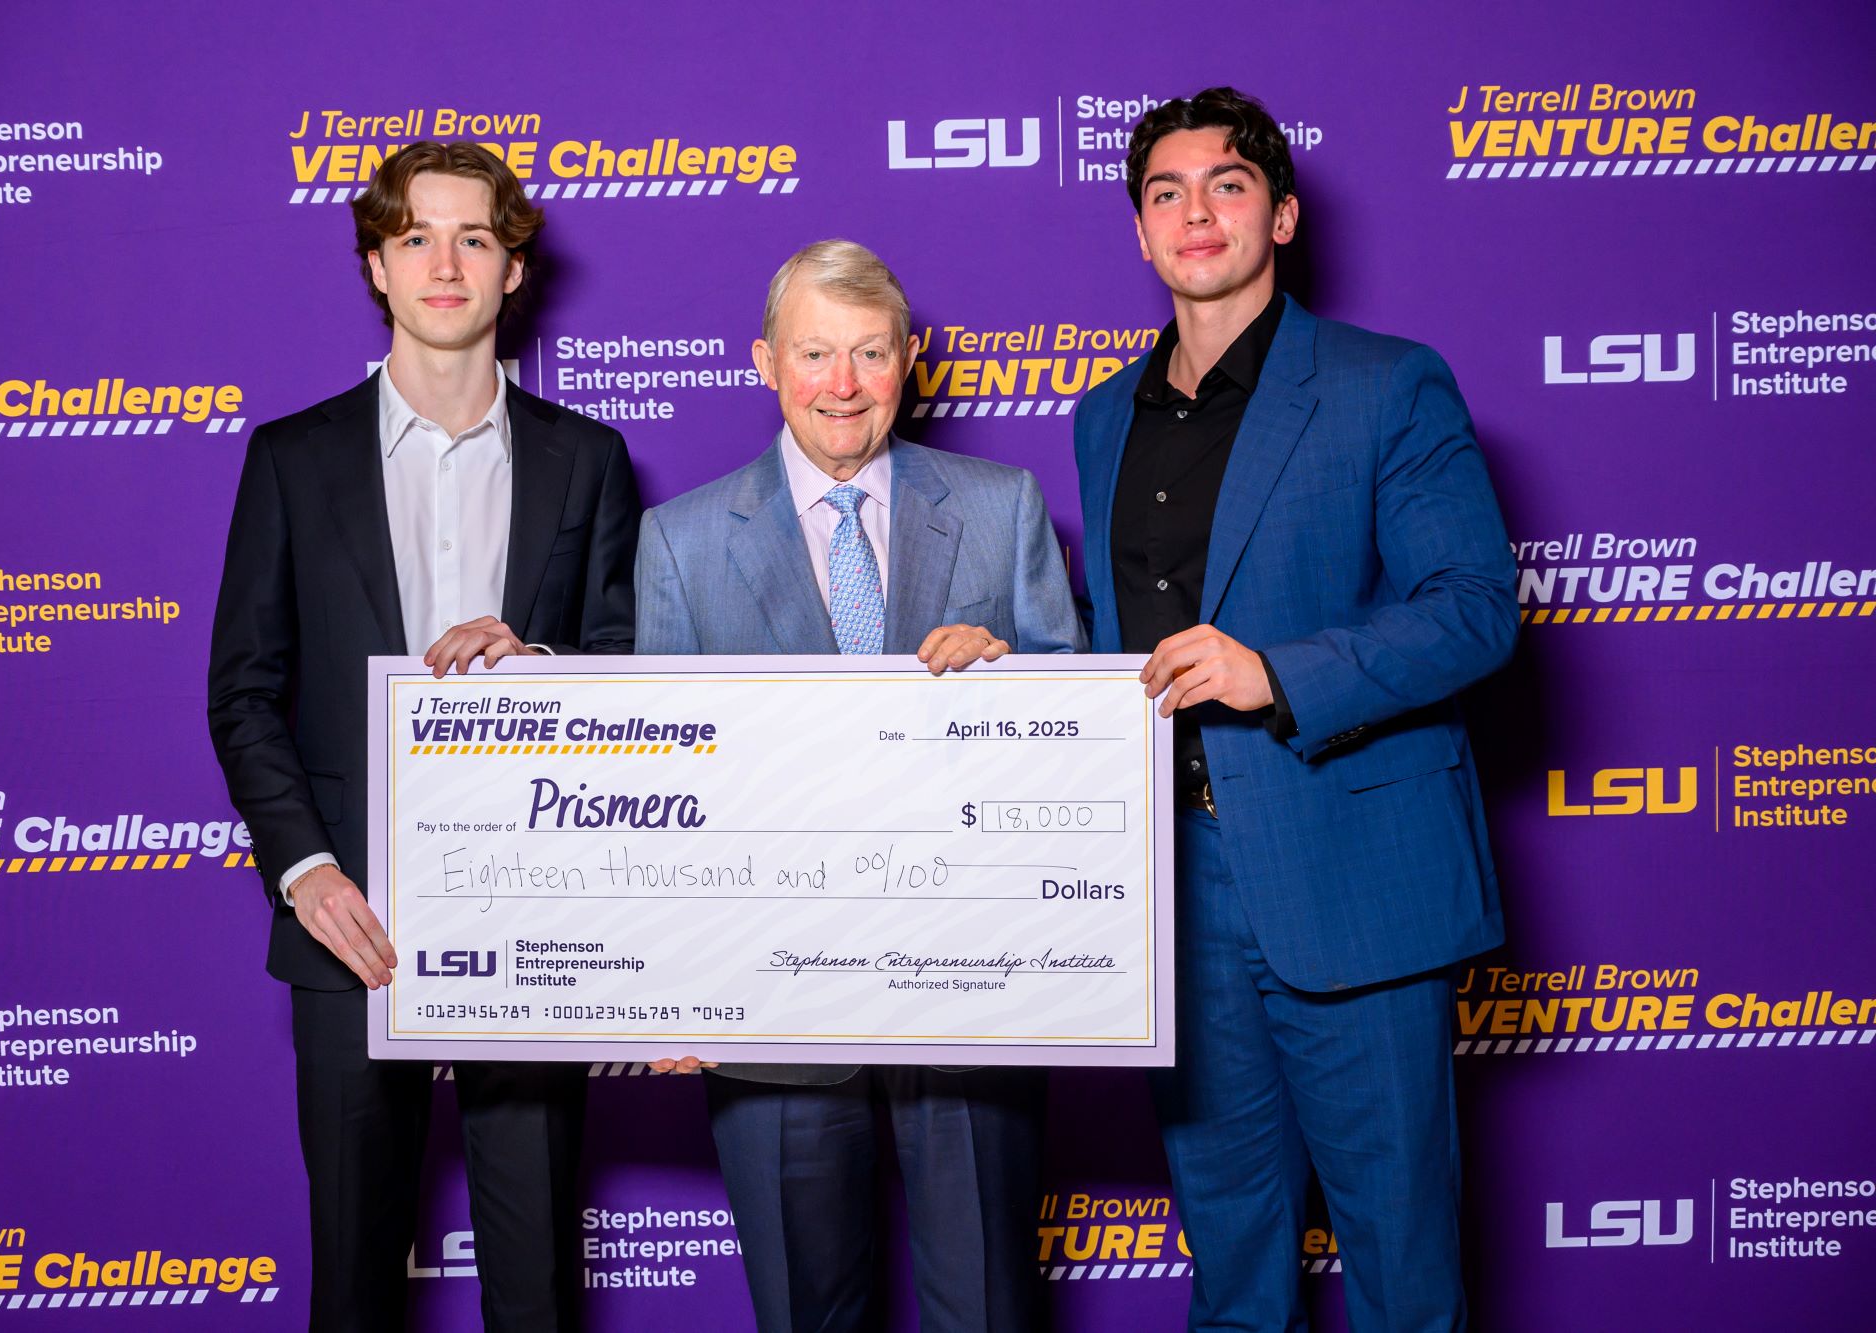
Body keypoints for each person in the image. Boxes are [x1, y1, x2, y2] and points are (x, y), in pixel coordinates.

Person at [1072, 88, 1517, 1331]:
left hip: (1349, 871)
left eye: (1223, 185)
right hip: (1175, 886)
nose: (1193, 213)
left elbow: (1476, 605)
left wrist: (1280, 672)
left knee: (1397, 1266)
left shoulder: (1384, 385)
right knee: (1230, 1264)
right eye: (1163, 193)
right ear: (1139, 233)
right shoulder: (1104, 418)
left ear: (1279, 213)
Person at [207, 139, 640, 1331]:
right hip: (353, 921)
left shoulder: (589, 458)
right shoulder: (292, 459)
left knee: (538, 1277)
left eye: (474, 238)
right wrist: (306, 872)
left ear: (513, 272)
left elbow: (631, 670)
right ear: (377, 267)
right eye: (416, 238)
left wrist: (540, 663)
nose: (445, 263)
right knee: (350, 1275)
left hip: (532, 917)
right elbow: (242, 689)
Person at [634, 239, 1083, 1332]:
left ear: (908, 359)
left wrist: (1014, 686)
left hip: (970, 997)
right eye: (815, 353)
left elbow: (1081, 748)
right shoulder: (681, 543)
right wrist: (667, 978)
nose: (841, 384)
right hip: (772, 1011)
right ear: (764, 362)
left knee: (984, 1311)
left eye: (869, 353)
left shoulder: (999, 505)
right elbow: (660, 792)